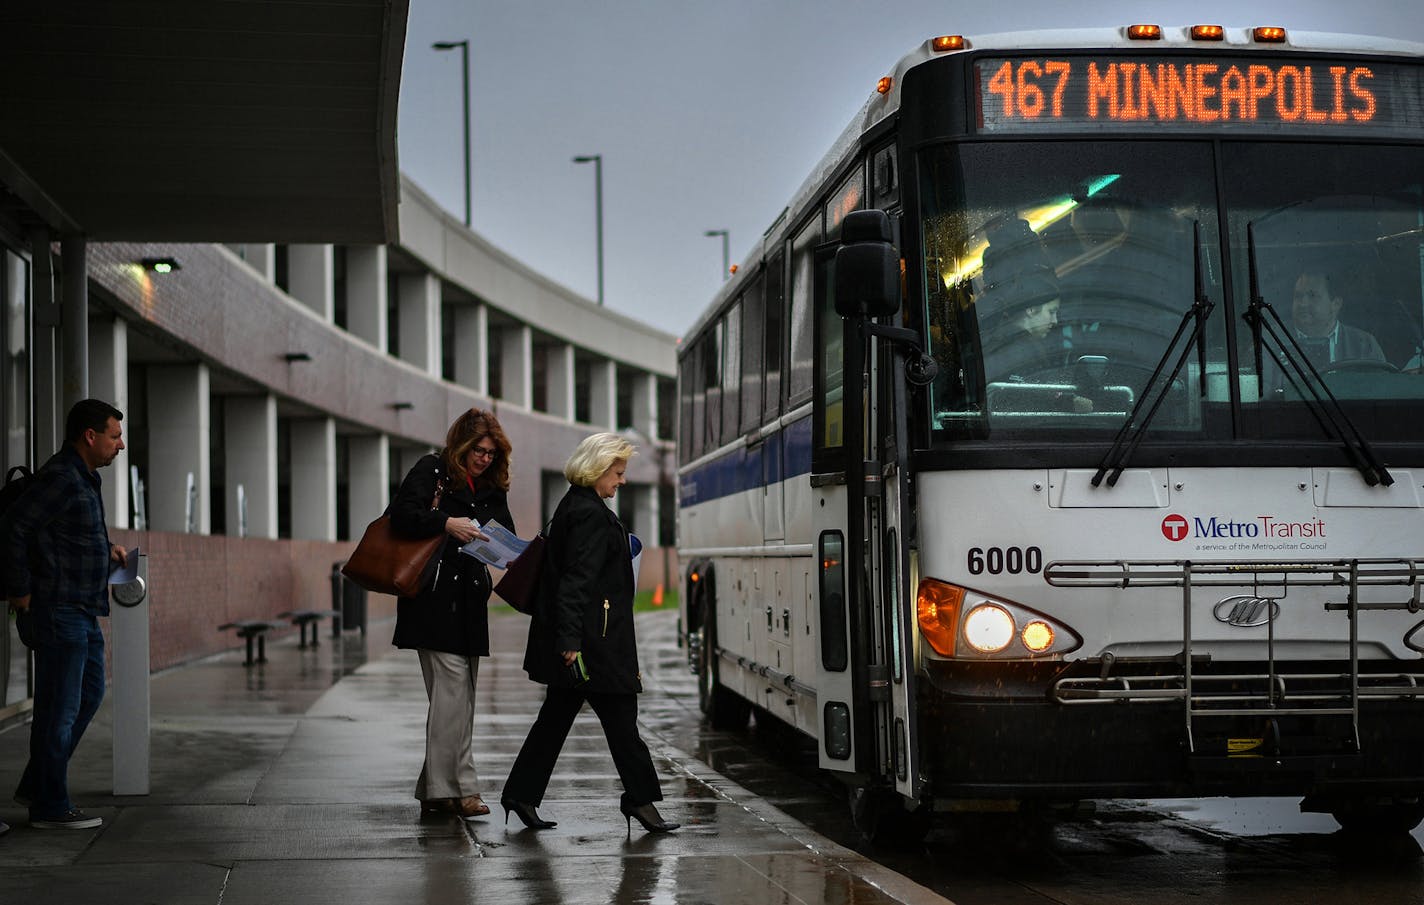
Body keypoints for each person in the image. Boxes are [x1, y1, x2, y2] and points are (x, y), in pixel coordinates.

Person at [501, 432, 679, 834]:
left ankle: (521, 795)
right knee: (622, 720)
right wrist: (569, 642)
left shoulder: (576, 505)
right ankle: (640, 800)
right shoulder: (588, 514)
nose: (622, 480)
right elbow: (574, 582)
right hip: (591, 645)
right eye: (617, 472)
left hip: (584, 639)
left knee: (555, 720)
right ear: (597, 469)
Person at [1, 399, 128, 830]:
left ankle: (39, 785)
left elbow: (64, 533)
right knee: (59, 709)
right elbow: (15, 527)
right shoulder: (60, 477)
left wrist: (104, 549)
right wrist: (20, 592)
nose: (121, 444)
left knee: (88, 695)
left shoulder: (85, 478)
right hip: (58, 610)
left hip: (83, 608)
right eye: (114, 436)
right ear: (89, 436)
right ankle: (50, 806)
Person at [389, 408, 514, 821]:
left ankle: (435, 790)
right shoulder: (433, 470)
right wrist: (447, 523)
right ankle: (458, 788)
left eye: (491, 453)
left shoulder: (493, 486)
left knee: (461, 699)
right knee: (452, 695)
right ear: (461, 444)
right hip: (433, 600)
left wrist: (510, 549)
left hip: (471, 601)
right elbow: (401, 517)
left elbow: (503, 532)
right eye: (478, 450)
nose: (484, 458)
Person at [1288, 269, 1386, 367]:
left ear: (1336, 304)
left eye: (1312, 296)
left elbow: (1379, 381)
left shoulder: (1365, 345)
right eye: (1298, 296)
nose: (1303, 303)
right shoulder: (1275, 341)